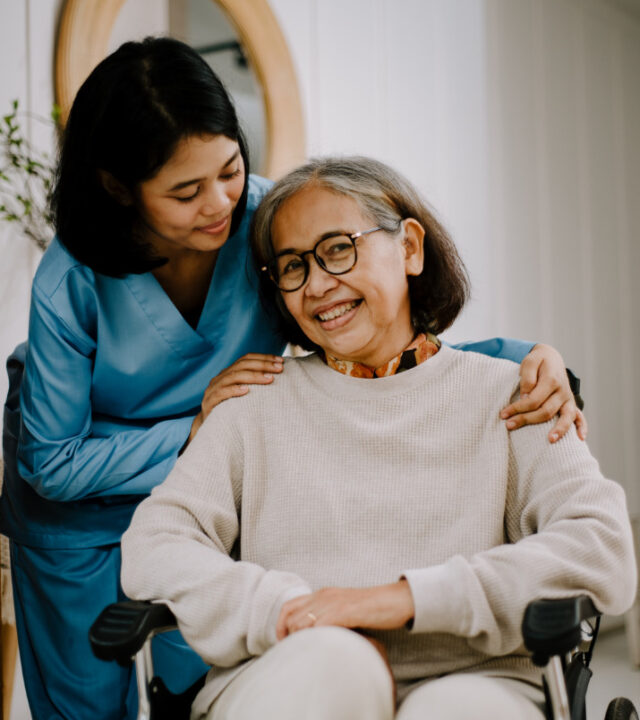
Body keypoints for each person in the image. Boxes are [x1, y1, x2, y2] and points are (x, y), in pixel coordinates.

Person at [0, 39, 581, 720]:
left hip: (212, 481)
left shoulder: (273, 225)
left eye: (230, 169)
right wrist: (193, 431)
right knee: (83, 704)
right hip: (75, 499)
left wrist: (530, 358)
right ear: (118, 187)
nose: (220, 203)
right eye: (186, 192)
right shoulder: (72, 275)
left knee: (199, 681)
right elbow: (53, 462)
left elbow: (375, 324)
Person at [121, 156, 636, 720]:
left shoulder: (520, 394)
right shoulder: (253, 405)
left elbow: (601, 546)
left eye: (338, 248)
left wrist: (407, 598)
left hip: (479, 680)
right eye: (292, 266)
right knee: (336, 665)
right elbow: (155, 545)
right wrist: (287, 611)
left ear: (410, 248)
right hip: (293, 668)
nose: (316, 284)